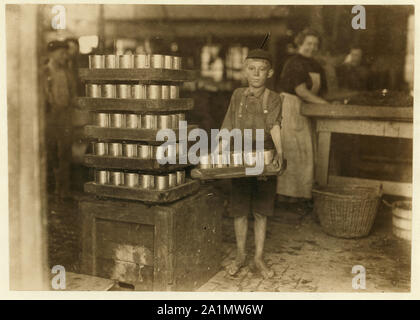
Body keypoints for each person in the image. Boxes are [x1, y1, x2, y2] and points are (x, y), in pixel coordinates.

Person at [220, 49, 284, 279]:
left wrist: (280, 152)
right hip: (240, 159)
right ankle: (240, 256)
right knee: (239, 210)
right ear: (245, 70)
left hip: (264, 160)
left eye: (262, 69)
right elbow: (227, 126)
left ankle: (257, 258)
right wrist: (217, 154)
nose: (256, 73)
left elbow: (274, 126)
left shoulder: (274, 98)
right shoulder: (237, 95)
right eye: (251, 68)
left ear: (270, 72)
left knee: (261, 211)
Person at [276, 28, 328, 206]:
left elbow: (321, 91)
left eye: (315, 44)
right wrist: (325, 106)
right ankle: (285, 197)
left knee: (306, 153)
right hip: (291, 108)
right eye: (308, 44)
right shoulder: (294, 63)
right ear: (300, 43)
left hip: (308, 109)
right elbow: (301, 91)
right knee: (292, 152)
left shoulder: (316, 65)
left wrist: (323, 103)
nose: (311, 47)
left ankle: (300, 196)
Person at [43, 40, 75, 199]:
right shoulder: (45, 71)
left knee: (65, 153)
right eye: (61, 53)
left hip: (66, 116)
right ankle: (53, 190)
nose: (65, 56)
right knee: (52, 152)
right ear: (52, 54)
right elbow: (44, 95)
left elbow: (72, 93)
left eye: (65, 53)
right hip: (51, 117)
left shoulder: (67, 71)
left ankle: (64, 190)